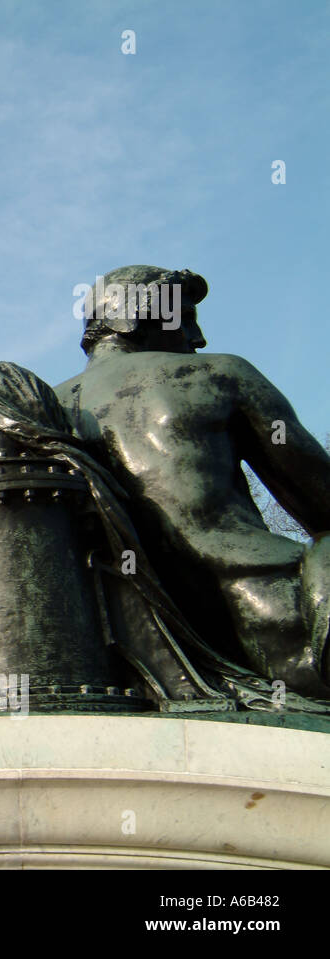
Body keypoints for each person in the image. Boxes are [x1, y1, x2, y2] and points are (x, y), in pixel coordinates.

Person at [54, 264, 330, 698]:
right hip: (278, 615)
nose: (197, 339)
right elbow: (322, 501)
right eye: (184, 318)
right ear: (139, 316)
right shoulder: (221, 374)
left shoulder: (44, 407)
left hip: (130, 644)